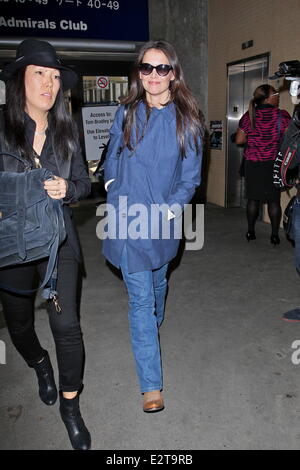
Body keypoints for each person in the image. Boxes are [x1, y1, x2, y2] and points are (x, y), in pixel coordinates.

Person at [102, 40, 203, 412]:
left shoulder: (187, 120)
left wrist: (168, 212)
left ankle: (153, 323)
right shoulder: (125, 113)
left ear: (174, 73)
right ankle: (151, 386)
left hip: (160, 222)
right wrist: (112, 185)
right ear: (139, 73)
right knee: (140, 301)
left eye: (163, 68)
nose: (155, 76)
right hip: (126, 220)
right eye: (147, 68)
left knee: (158, 284)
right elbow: (110, 154)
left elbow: (190, 180)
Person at [0, 39, 91, 450]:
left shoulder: (69, 130)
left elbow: (86, 185)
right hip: (12, 244)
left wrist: (67, 186)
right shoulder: (1, 127)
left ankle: (71, 407)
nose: (50, 84)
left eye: (55, 77)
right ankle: (40, 365)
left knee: (66, 326)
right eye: (40, 73)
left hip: (58, 239)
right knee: (19, 325)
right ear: (21, 79)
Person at [235, 84, 291, 245]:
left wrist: (255, 139)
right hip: (273, 164)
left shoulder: (249, 116)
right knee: (274, 200)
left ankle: (250, 232)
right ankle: (274, 235)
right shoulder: (282, 116)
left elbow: (239, 140)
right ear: (268, 98)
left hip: (253, 164)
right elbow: (290, 139)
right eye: (276, 94)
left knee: (253, 199)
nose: (278, 96)